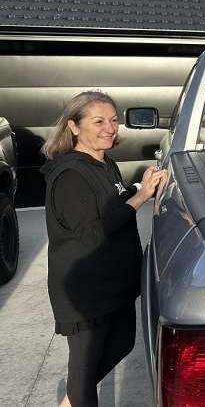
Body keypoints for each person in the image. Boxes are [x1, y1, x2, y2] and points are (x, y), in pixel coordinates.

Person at [40, 91, 166, 407]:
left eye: (113, 120)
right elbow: (92, 231)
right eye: (98, 121)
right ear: (74, 126)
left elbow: (112, 204)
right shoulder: (69, 174)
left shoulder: (104, 163)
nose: (109, 127)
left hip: (113, 285)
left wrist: (139, 187)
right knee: (83, 371)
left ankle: (71, 400)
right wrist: (141, 197)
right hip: (85, 291)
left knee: (122, 343)